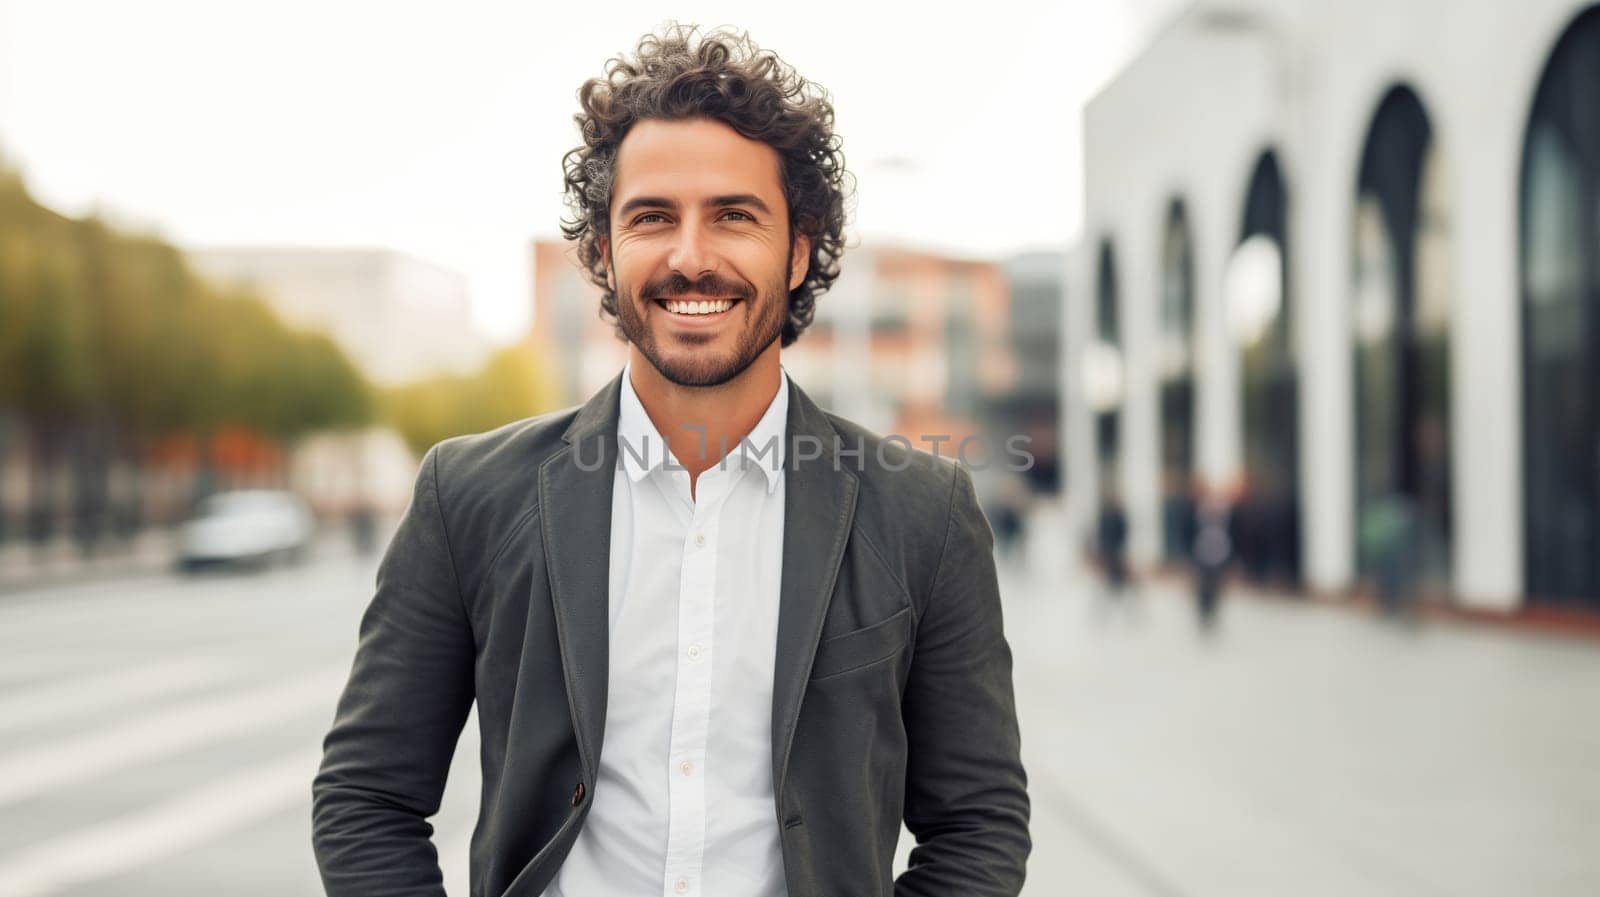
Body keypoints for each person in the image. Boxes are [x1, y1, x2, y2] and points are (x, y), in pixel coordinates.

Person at [311, 25, 1030, 897]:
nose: (691, 255)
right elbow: (366, 796)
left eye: (734, 214)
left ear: (798, 249)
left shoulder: (923, 513)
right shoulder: (469, 496)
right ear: (605, 253)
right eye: (653, 217)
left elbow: (977, 824)